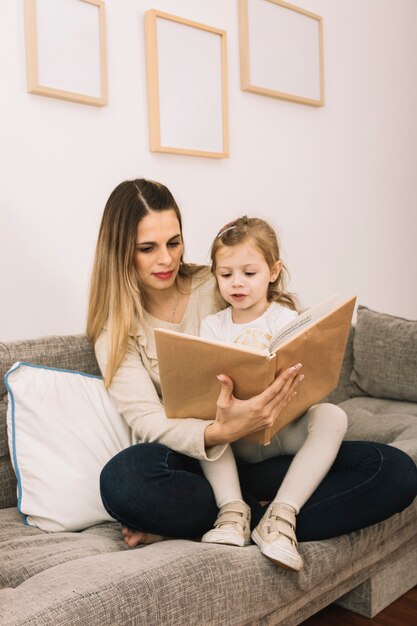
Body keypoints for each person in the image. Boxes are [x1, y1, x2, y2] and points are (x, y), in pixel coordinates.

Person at [88, 178, 417, 567]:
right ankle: (243, 516)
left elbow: (284, 335)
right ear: (120, 249)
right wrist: (218, 432)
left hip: (271, 451)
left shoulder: (222, 279)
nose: (166, 260)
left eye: (173, 243)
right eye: (148, 248)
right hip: (205, 460)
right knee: (124, 480)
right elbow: (145, 417)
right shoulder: (114, 325)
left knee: (393, 471)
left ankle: (256, 520)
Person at [198, 216, 348, 571]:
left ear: (273, 271)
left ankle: (280, 518)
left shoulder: (285, 320)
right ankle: (232, 512)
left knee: (333, 415)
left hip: (282, 430)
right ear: (215, 275)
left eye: (249, 273)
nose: (237, 283)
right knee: (200, 423)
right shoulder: (212, 326)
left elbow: (309, 379)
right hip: (236, 439)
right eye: (226, 274)